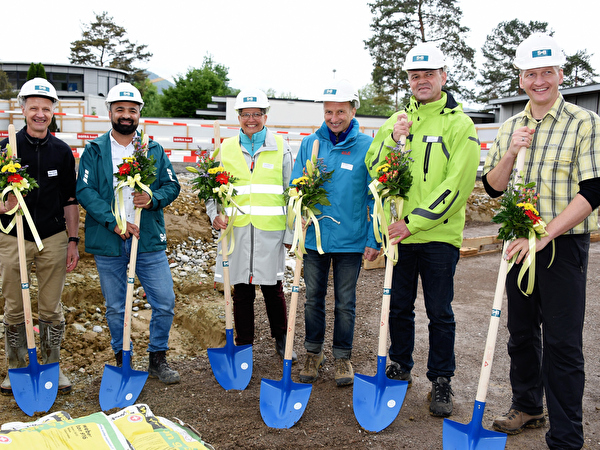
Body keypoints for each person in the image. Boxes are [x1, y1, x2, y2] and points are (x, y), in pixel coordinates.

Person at [483, 34, 600, 449]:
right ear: (521, 79)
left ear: (560, 74)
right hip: (518, 244)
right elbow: (494, 189)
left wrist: (545, 235)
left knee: (563, 342)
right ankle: (528, 404)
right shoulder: (511, 126)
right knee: (521, 334)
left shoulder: (584, 123)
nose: (539, 81)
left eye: (547, 72)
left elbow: (594, 190)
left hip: (562, 245)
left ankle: (566, 437)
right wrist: (510, 154)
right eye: (531, 73)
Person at [365, 42, 480, 417]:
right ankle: (400, 365)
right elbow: (374, 168)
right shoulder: (397, 121)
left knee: (439, 311)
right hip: (400, 237)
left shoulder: (459, 124)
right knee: (398, 307)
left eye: (429, 74)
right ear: (409, 81)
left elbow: (457, 186)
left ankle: (441, 381)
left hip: (437, 237)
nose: (422, 81)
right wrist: (394, 141)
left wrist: (411, 224)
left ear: (443, 77)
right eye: (415, 76)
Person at [76, 82, 181, 384]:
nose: (125, 115)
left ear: (138, 114)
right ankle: (123, 359)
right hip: (109, 241)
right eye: (120, 109)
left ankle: (157, 358)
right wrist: (114, 221)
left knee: (164, 301)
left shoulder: (152, 150)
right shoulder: (94, 150)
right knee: (116, 307)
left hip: (147, 241)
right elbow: (84, 191)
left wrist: (152, 199)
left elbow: (172, 185)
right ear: (109, 112)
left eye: (131, 110)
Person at [291, 79, 379, 387]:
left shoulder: (367, 147)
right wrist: (299, 216)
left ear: (354, 110)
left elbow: (374, 198)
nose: (334, 118)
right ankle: (313, 353)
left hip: (351, 240)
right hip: (315, 239)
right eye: (329, 112)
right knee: (313, 298)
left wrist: (373, 238)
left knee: (345, 301)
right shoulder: (310, 144)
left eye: (340, 111)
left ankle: (343, 357)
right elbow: (295, 186)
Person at [0, 78, 79, 395]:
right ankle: (15, 370)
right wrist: (4, 204)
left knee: (51, 307)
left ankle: (52, 367)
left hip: (54, 238)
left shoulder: (61, 152)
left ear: (53, 111)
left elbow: (70, 200)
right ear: (23, 109)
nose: (40, 113)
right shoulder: (6, 149)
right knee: (14, 307)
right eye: (33, 107)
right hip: (12, 237)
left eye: (46, 108)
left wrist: (73, 240)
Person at [206, 89, 296, 362]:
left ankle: (281, 337)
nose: (251, 119)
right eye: (246, 114)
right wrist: (214, 216)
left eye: (257, 114)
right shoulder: (225, 148)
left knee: (272, 287)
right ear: (239, 117)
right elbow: (211, 189)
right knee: (242, 289)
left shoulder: (281, 146)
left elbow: (291, 192)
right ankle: (244, 341)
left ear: (265, 116)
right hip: (237, 231)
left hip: (271, 230)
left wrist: (291, 232)